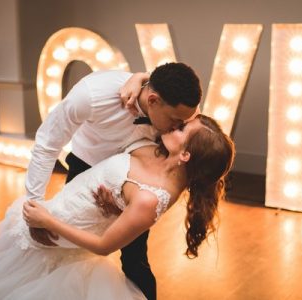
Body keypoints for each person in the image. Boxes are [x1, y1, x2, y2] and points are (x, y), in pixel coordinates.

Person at [0, 115, 235, 300]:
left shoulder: (151, 198)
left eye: (181, 129)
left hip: (60, 230)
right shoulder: (157, 149)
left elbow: (105, 246)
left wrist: (47, 221)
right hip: (64, 206)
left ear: (185, 155)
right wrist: (119, 206)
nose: (175, 124)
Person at [25, 62, 201, 299]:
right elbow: (47, 144)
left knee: (135, 259)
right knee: (65, 251)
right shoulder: (91, 95)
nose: (178, 127)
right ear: (152, 101)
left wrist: (140, 76)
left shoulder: (172, 106)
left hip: (136, 177)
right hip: (85, 168)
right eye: (174, 121)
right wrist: (35, 206)